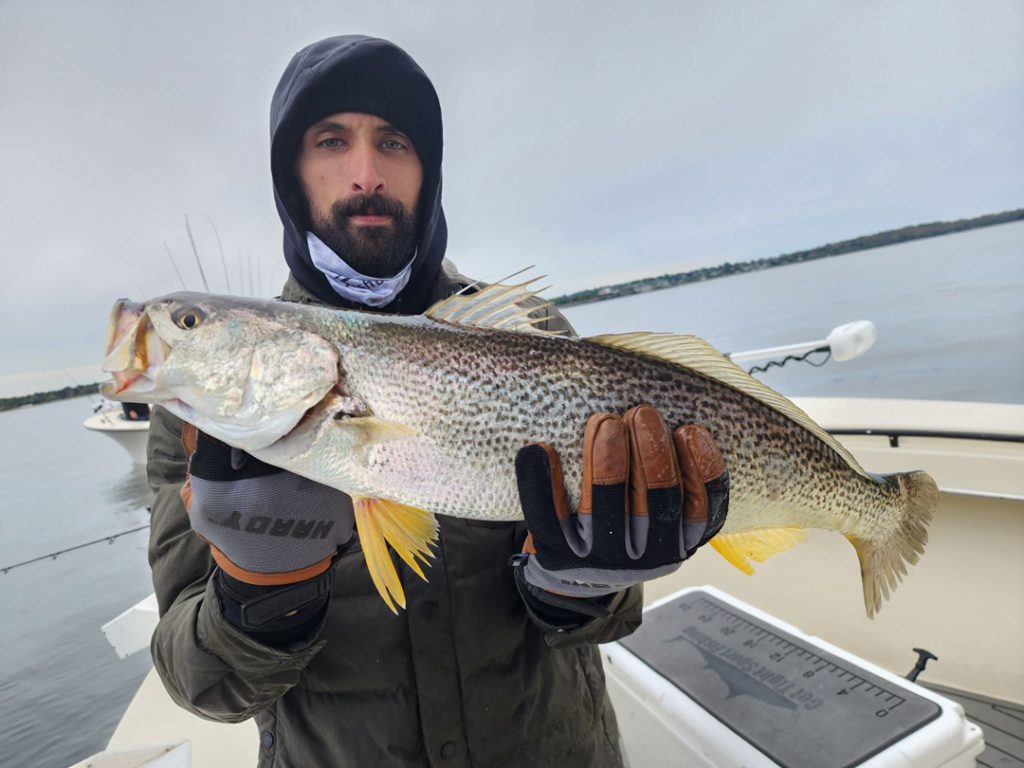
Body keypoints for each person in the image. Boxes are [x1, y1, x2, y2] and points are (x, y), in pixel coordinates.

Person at [147, 35, 729, 767]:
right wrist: (258, 595)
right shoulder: (199, 418)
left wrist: (584, 589)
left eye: (393, 143)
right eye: (331, 141)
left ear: (429, 171)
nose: (366, 174)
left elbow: (606, 622)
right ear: (291, 175)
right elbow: (203, 687)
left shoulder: (533, 334)